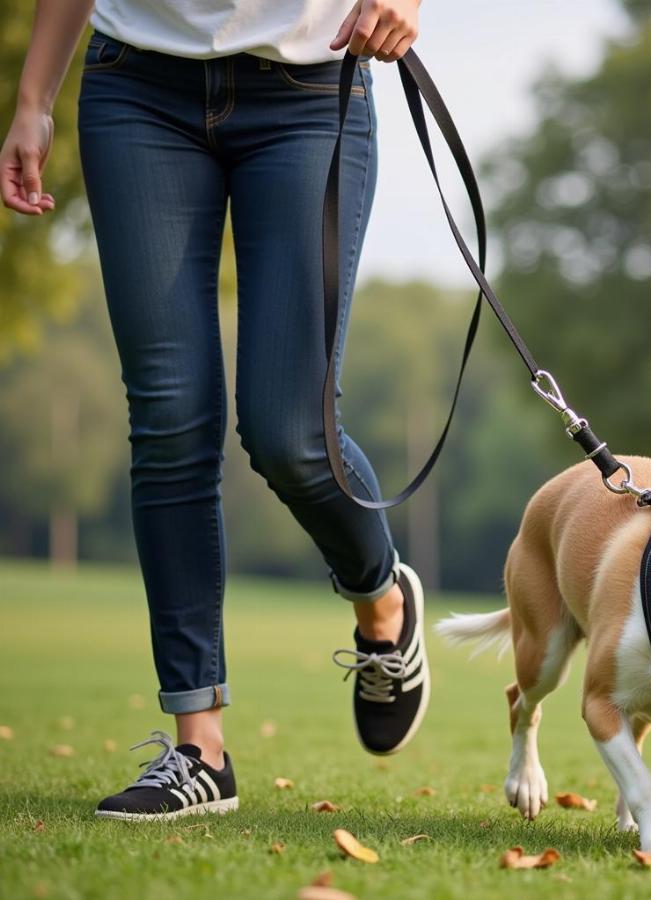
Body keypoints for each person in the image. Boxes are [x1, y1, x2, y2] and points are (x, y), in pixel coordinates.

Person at [1, 0, 429, 820]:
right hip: (137, 87)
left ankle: (382, 599)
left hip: (308, 88)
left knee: (290, 430)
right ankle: (200, 746)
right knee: (169, 418)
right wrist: (32, 100)